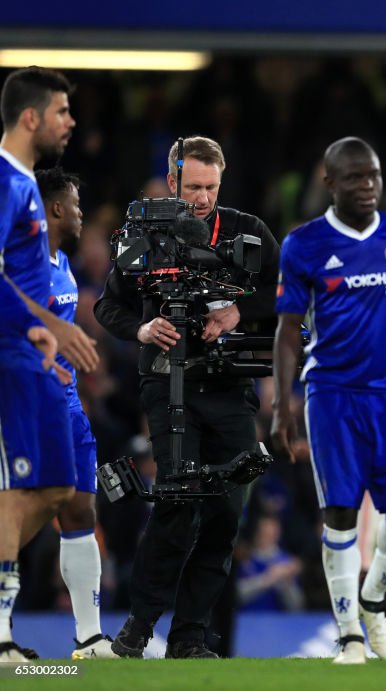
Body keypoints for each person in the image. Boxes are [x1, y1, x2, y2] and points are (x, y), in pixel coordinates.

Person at [94, 135, 281, 659]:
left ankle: (191, 635)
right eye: (193, 186)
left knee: (225, 513)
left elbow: (290, 290)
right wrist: (143, 327)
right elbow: (107, 308)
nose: (202, 197)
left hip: (230, 386)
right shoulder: (147, 233)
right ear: (173, 181)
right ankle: (138, 627)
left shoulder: (248, 231)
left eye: (211, 187)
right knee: (176, 504)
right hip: (168, 382)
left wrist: (238, 311)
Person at [271, 136, 386, 665]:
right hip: (332, 394)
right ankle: (348, 635)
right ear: (329, 183)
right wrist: (283, 402)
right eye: (353, 177)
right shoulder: (303, 244)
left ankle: (373, 602)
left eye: (372, 175)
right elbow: (286, 331)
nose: (366, 186)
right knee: (341, 512)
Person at [0, 66, 92, 664]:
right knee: (20, 491)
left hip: (30, 353)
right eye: (62, 111)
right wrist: (49, 323)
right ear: (31, 117)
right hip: (8, 356)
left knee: (57, 487)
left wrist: (46, 329)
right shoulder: (4, 182)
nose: (70, 121)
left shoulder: (27, 183)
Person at [37, 167, 117, 658]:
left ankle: (88, 637)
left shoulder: (62, 262)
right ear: (55, 208)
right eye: (75, 201)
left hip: (68, 408)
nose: (82, 211)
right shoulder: (17, 266)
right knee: (21, 518)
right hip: (28, 405)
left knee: (82, 509)